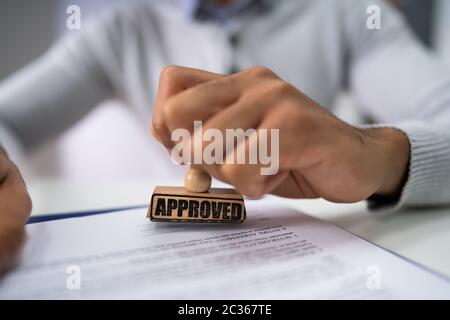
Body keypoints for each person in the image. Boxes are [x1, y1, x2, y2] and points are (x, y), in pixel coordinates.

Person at [1, 0, 450, 273]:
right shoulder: (121, 30)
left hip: (300, 253)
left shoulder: (349, 16)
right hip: (163, 261)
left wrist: (378, 156)